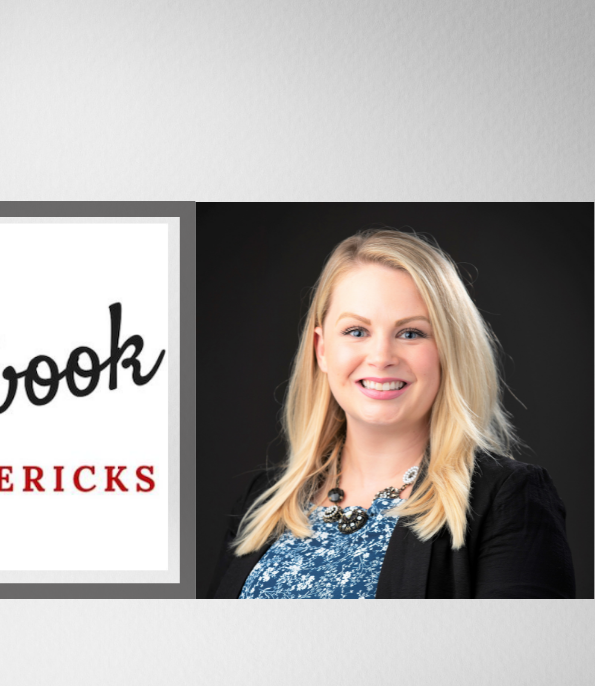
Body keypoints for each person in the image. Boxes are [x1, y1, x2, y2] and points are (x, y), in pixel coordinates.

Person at [207, 229, 575, 599]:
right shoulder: (266, 501)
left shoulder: (508, 501)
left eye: (412, 333)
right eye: (356, 331)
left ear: (450, 349)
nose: (381, 357)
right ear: (321, 349)